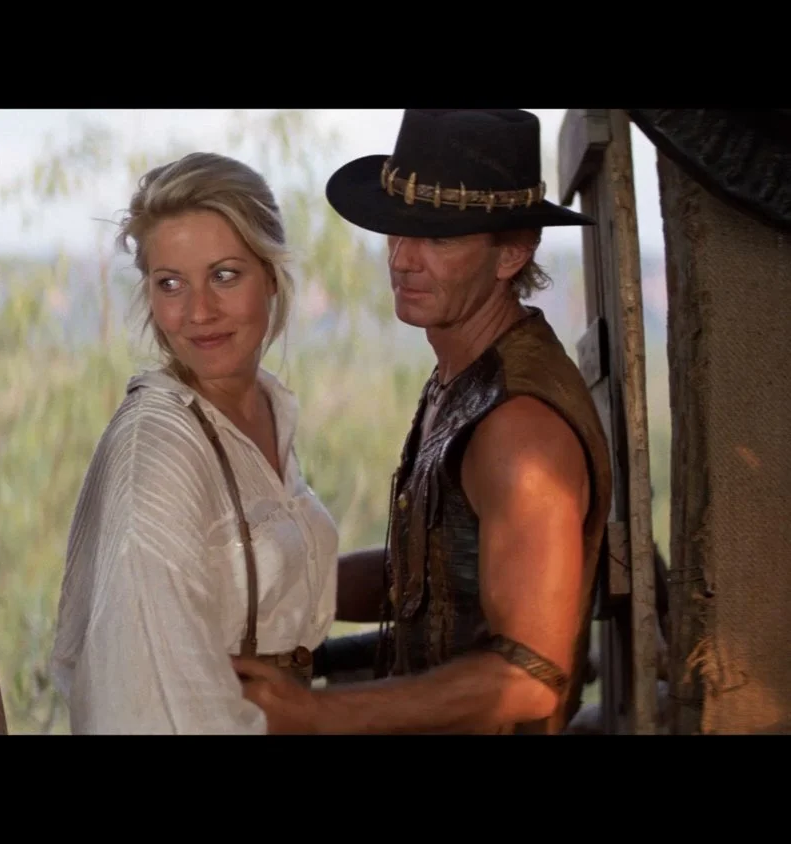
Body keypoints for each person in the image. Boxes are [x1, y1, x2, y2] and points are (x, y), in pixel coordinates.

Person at [234, 108, 614, 734]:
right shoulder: (463, 377)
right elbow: (434, 579)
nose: (404, 259)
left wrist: (313, 710)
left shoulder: (520, 430)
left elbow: (529, 677)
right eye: (398, 232)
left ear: (512, 253)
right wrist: (274, 594)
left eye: (438, 239)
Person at [49, 151, 340, 734]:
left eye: (225, 275)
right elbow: (150, 699)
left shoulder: (266, 407)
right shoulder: (156, 448)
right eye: (171, 284)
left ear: (272, 276)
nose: (198, 312)